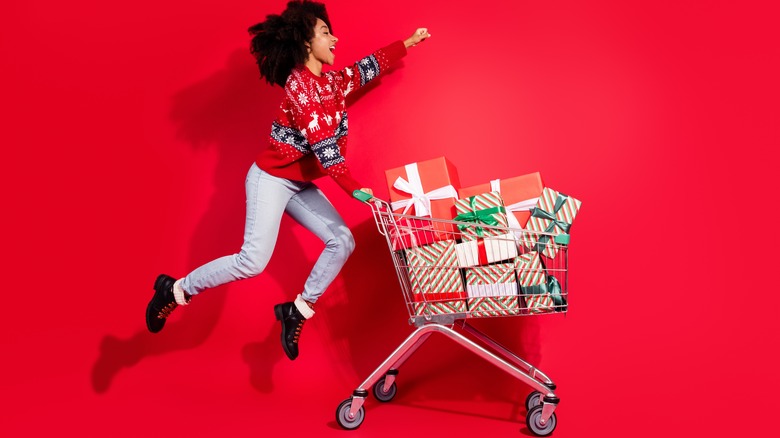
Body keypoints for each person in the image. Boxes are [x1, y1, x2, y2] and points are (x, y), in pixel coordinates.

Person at [146, 0, 431, 361]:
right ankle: (175, 290)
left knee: (342, 241)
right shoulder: (299, 85)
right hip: (270, 179)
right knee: (252, 261)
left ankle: (298, 310)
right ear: (305, 42)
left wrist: (406, 43)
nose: (335, 38)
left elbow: (365, 68)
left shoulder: (331, 82)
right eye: (326, 32)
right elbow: (324, 145)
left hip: (298, 185)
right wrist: (358, 190)